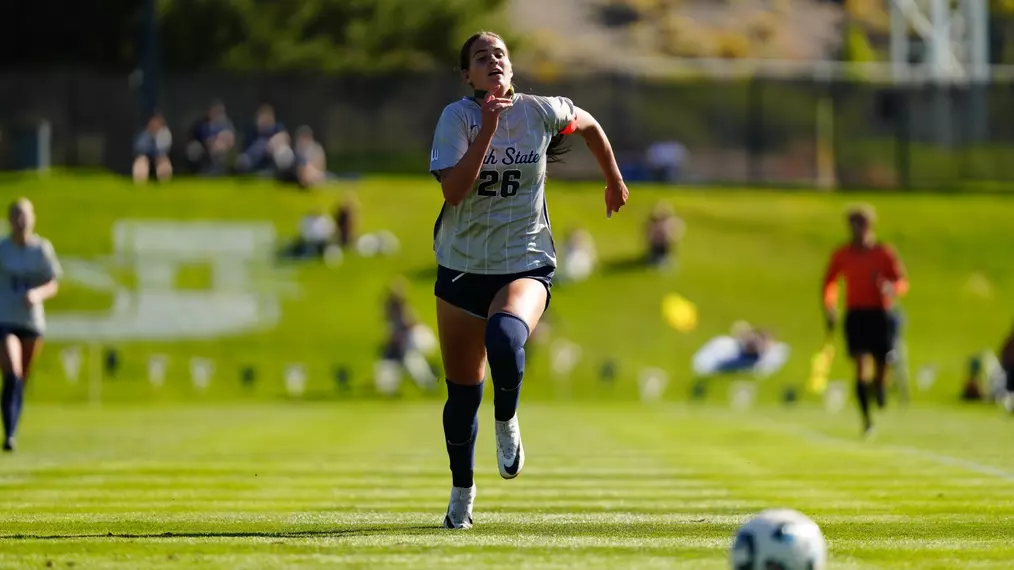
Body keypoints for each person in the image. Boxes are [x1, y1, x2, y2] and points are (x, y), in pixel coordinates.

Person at [428, 31, 629, 529]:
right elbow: (454, 192)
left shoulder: (540, 110)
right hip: (461, 265)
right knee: (461, 397)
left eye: (499, 54)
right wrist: (487, 130)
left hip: (525, 259)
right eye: (481, 57)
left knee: (504, 335)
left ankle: (507, 420)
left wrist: (614, 178)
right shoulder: (458, 118)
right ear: (467, 75)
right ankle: (461, 496)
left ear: (510, 68)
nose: (492, 60)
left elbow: (590, 125)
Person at [822, 205, 908, 438]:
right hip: (857, 314)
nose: (857, 230)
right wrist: (830, 307)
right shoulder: (843, 254)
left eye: (861, 224)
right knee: (860, 364)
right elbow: (829, 281)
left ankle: (880, 387)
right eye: (853, 225)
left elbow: (900, 281)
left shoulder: (883, 253)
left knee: (883, 363)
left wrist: (891, 287)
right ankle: (867, 420)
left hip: (880, 313)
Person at [0, 199, 61, 452]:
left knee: (20, 380)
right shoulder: (3, 248)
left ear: (32, 218)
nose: (20, 220)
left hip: (32, 322)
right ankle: (10, 435)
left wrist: (37, 294)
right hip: (5, 319)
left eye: (24, 215)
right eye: (16, 215)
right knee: (12, 374)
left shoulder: (42, 250)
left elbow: (53, 282)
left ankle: (12, 425)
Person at [186, 100, 235, 175]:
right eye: (214, 110)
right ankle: (200, 171)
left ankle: (222, 171)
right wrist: (213, 144)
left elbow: (231, 139)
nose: (216, 113)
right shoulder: (203, 124)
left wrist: (222, 144)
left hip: (226, 150)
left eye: (219, 111)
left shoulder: (227, 124)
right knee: (194, 148)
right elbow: (205, 140)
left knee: (220, 148)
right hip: (206, 150)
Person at [132, 112, 173, 184]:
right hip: (146, 156)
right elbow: (139, 148)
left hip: (159, 156)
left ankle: (165, 183)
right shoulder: (144, 133)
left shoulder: (165, 133)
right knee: (141, 161)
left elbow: (164, 148)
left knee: (163, 161)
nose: (154, 125)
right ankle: (140, 183)